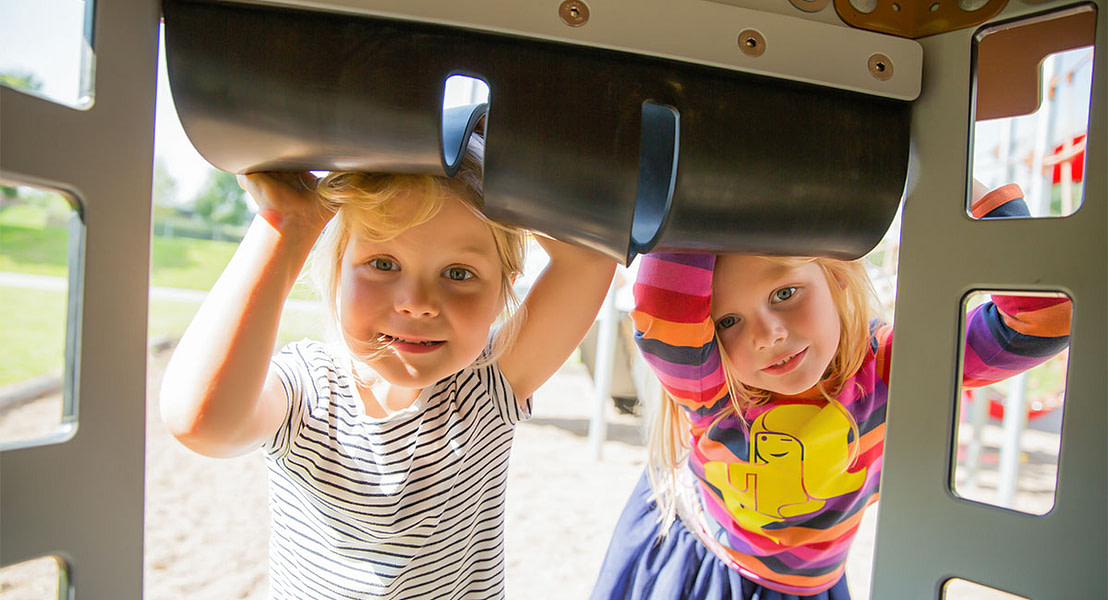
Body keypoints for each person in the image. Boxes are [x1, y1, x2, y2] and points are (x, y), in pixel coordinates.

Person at [159, 135, 616, 599]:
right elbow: (202, 420)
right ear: (337, 271)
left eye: (458, 273)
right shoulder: (307, 389)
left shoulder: (488, 385)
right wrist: (287, 224)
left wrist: (500, 178)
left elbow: (591, 260)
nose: (417, 303)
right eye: (383, 263)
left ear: (503, 291)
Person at [590, 183, 1071, 599]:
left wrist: (945, 175)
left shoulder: (888, 370)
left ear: (838, 276)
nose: (768, 335)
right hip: (706, 562)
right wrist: (710, 172)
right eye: (728, 321)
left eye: (784, 293)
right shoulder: (715, 389)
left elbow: (1046, 319)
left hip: (814, 582)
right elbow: (665, 306)